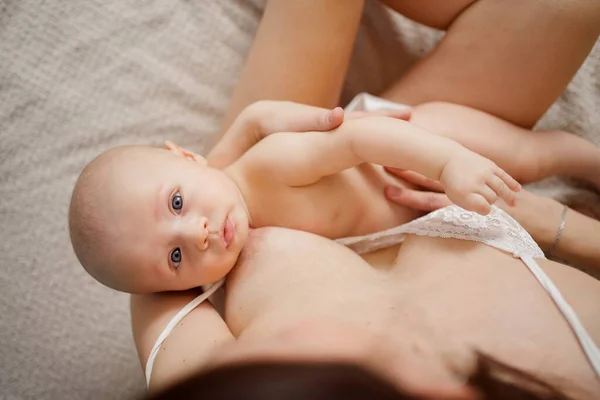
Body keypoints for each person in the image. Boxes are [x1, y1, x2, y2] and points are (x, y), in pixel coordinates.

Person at [129, 0, 600, 398]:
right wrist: (551, 222)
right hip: (438, 183)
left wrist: (214, 174)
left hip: (346, 170)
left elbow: (134, 256)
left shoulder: (212, 358)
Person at [69, 99, 520, 294]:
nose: (198, 234)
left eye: (177, 204)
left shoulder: (266, 169)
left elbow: (359, 140)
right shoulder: (237, 269)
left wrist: (448, 162)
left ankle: (579, 158)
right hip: (412, 219)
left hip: (409, 144)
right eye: (174, 257)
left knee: (527, 156)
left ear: (188, 156)